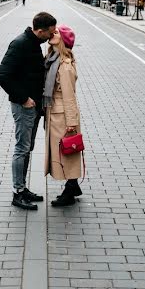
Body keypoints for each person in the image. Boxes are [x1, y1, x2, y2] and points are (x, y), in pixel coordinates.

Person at [0, 11, 57, 211]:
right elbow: (3, 76)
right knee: (22, 148)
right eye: (50, 33)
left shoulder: (34, 44)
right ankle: (18, 192)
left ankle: (23, 189)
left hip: (33, 106)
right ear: (39, 31)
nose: (51, 36)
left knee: (27, 147)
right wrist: (24, 99)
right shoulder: (20, 44)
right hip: (24, 106)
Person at [44, 25, 82, 206]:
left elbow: (69, 95)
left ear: (63, 41)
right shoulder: (53, 59)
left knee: (66, 152)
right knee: (65, 152)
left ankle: (69, 191)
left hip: (63, 116)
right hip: (56, 113)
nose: (52, 34)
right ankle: (73, 185)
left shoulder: (64, 65)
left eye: (57, 33)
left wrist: (72, 123)